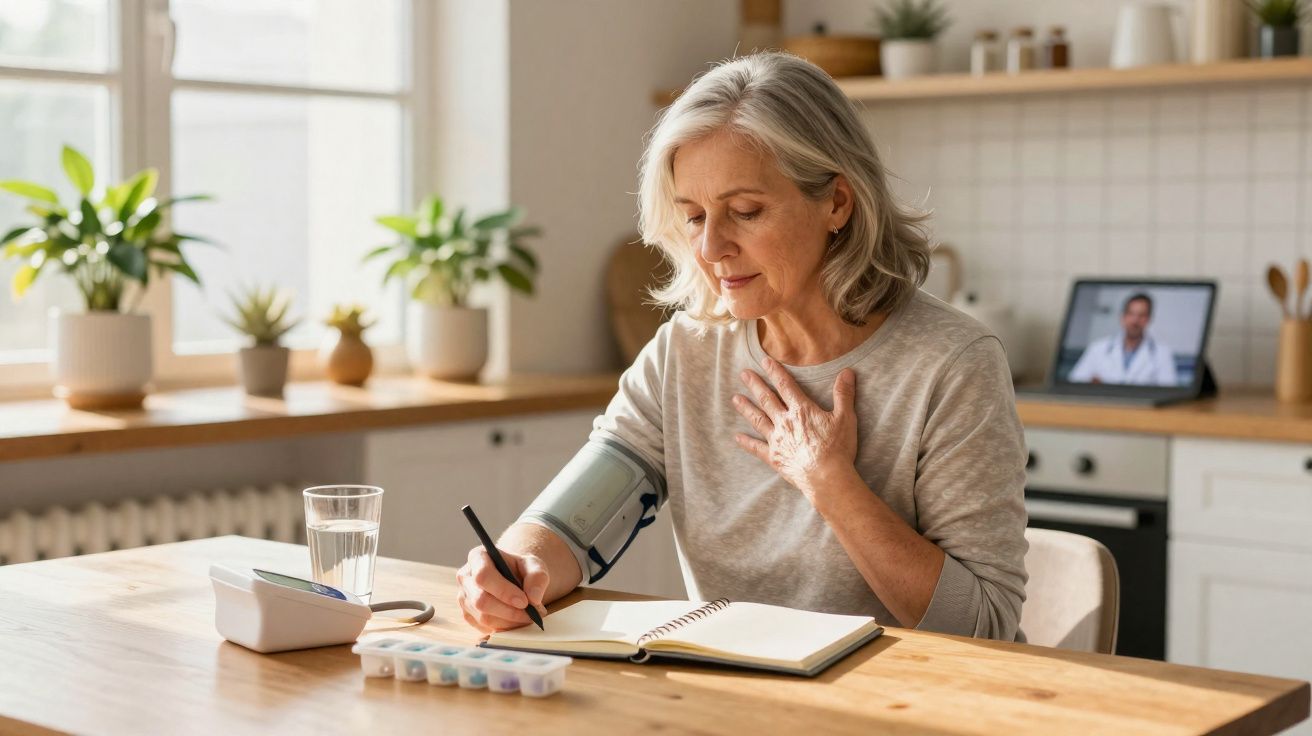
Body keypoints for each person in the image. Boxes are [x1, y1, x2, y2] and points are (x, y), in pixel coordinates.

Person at [455, 52, 1029, 641]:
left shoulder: (953, 364)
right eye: (695, 216)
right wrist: (517, 567)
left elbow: (984, 627)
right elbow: (574, 523)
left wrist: (830, 483)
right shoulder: (686, 352)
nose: (710, 247)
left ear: (837, 202)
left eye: (746, 212)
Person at [1068, 293, 1179, 386]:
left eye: (1141, 315)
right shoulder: (1098, 348)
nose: (1135, 321)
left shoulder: (1162, 353)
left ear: (1149, 319)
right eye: (1131, 314)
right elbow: (1074, 382)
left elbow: (1169, 390)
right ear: (1123, 317)